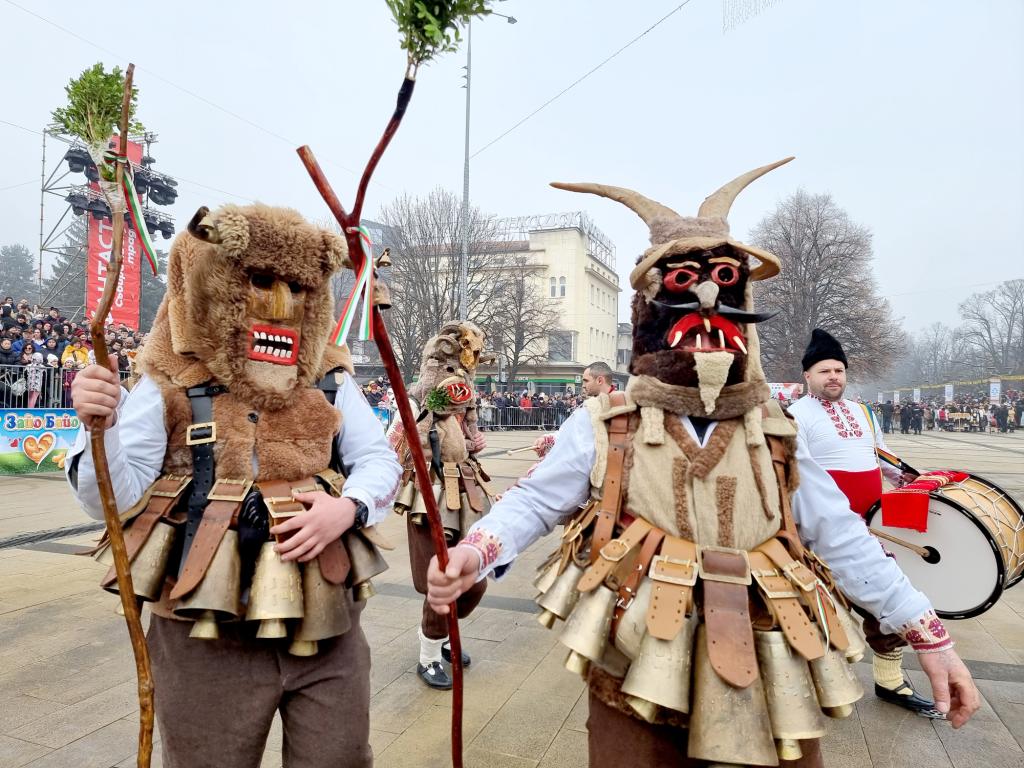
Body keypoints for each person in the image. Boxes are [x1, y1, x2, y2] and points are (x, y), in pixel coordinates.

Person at [425, 160, 978, 767]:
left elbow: (840, 534)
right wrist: (478, 550)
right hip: (633, 653)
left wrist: (927, 631)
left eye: (722, 283)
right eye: (686, 285)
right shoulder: (607, 421)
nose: (709, 305)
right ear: (651, 318)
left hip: (769, 650)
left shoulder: (777, 430)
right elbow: (534, 499)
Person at [65, 203, 401, 768]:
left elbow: (377, 461)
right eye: (261, 281)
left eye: (297, 286)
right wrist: (100, 428)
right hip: (203, 635)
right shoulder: (169, 378)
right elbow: (112, 500)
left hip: (327, 626)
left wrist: (348, 508)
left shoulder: (328, 376)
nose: (281, 303)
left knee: (341, 758)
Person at [789, 329, 939, 717]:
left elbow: (881, 455)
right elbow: (795, 474)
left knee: (883, 604)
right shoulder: (794, 416)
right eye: (825, 370)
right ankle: (812, 682)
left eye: (839, 370)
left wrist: (906, 476)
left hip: (871, 528)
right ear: (808, 375)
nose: (834, 376)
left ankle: (891, 682)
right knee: (817, 608)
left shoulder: (863, 412)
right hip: (820, 531)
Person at [387, 321, 495, 689]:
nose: (458, 375)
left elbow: (468, 440)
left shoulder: (466, 404)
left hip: (465, 491)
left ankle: (444, 637)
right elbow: (394, 445)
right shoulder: (416, 398)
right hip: (427, 494)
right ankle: (429, 655)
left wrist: (474, 439)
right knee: (440, 579)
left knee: (473, 580)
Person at [532, 361, 614, 458]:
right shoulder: (588, 405)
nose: (583, 385)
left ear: (600, 380)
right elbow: (569, 432)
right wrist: (548, 440)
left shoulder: (620, 408)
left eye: (586, 381)